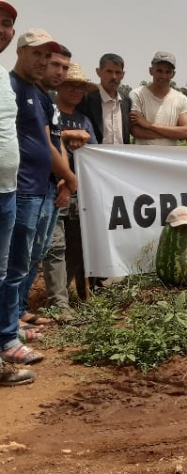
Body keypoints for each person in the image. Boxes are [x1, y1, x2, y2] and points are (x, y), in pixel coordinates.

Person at [1, 29, 76, 367]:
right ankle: (8, 329)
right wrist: (69, 177)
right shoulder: (11, 86)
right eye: (40, 56)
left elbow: (50, 140)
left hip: (43, 185)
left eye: (50, 57)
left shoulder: (37, 93)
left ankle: (13, 320)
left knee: (30, 258)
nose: (46, 63)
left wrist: (60, 177)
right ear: (20, 51)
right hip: (22, 188)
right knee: (14, 264)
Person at [18, 45, 73, 331]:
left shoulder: (47, 100)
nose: (60, 72)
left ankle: (18, 309)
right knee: (21, 255)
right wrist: (70, 177)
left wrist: (63, 177)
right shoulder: (26, 94)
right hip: (28, 185)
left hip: (49, 185)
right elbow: (43, 145)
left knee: (37, 252)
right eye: (55, 65)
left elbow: (57, 141)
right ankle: (11, 315)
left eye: (65, 67)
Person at [0, 0, 35, 385]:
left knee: (2, 272)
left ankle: (4, 343)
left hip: (6, 190)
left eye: (7, 23)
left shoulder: (2, 78)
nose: (2, 29)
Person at [43, 63, 98, 306]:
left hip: (78, 193)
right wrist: (65, 136)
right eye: (71, 86)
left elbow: (94, 153)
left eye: (81, 87)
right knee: (55, 246)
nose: (76, 91)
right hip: (52, 190)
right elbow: (41, 140)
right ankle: (58, 302)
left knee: (76, 247)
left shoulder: (83, 120)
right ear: (60, 87)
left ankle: (63, 294)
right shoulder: (49, 112)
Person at [129, 51, 187, 145]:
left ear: (173, 74)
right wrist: (172, 133)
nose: (163, 76)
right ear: (151, 71)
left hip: (168, 155)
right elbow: (135, 131)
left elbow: (185, 132)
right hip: (142, 154)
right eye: (159, 71)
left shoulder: (182, 99)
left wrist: (149, 125)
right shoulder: (137, 94)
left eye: (168, 72)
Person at [77, 53, 131, 144]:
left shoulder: (126, 102)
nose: (114, 77)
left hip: (122, 153)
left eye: (118, 72)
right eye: (109, 71)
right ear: (98, 72)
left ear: (123, 75)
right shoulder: (86, 99)